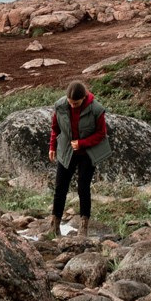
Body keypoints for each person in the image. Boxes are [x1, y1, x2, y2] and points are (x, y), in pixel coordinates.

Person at [47, 80, 112, 235]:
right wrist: (52, 146)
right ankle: (54, 226)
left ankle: (83, 226)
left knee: (83, 188)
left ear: (84, 98)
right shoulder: (61, 106)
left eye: (75, 103)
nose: (72, 105)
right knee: (60, 187)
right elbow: (55, 128)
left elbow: (101, 134)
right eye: (70, 102)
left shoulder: (96, 109)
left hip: (87, 154)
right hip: (66, 151)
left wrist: (82, 143)